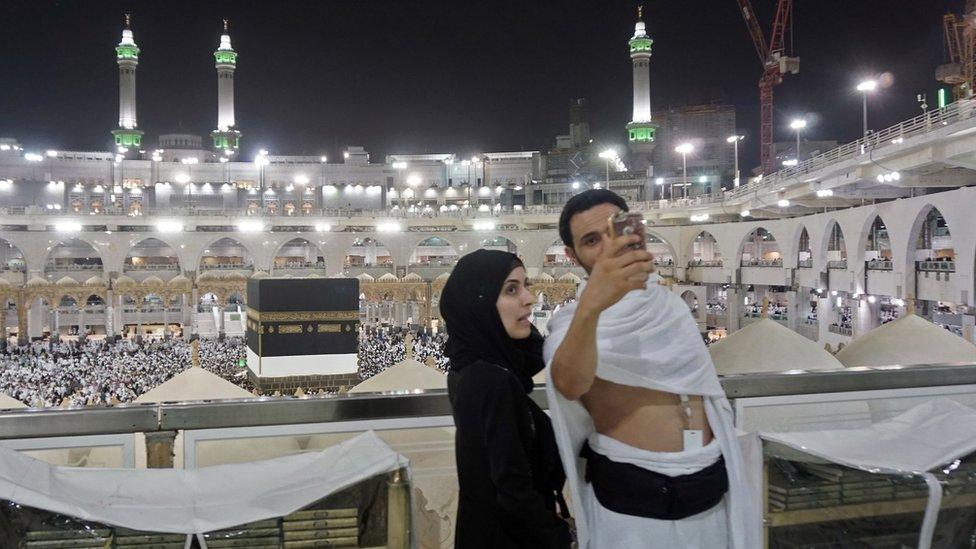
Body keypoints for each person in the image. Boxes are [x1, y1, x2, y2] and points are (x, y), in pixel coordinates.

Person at [544, 190, 757, 548]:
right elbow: (568, 382)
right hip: (632, 498)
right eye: (592, 241)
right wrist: (592, 306)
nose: (608, 246)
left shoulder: (670, 307)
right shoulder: (572, 323)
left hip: (707, 482)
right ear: (572, 255)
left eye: (616, 230)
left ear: (636, 231)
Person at [440, 249, 571, 548]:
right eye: (511, 289)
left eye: (526, 286)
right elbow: (512, 490)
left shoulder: (471, 366)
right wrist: (560, 539)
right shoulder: (491, 380)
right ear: (480, 303)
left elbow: (532, 355)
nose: (529, 298)